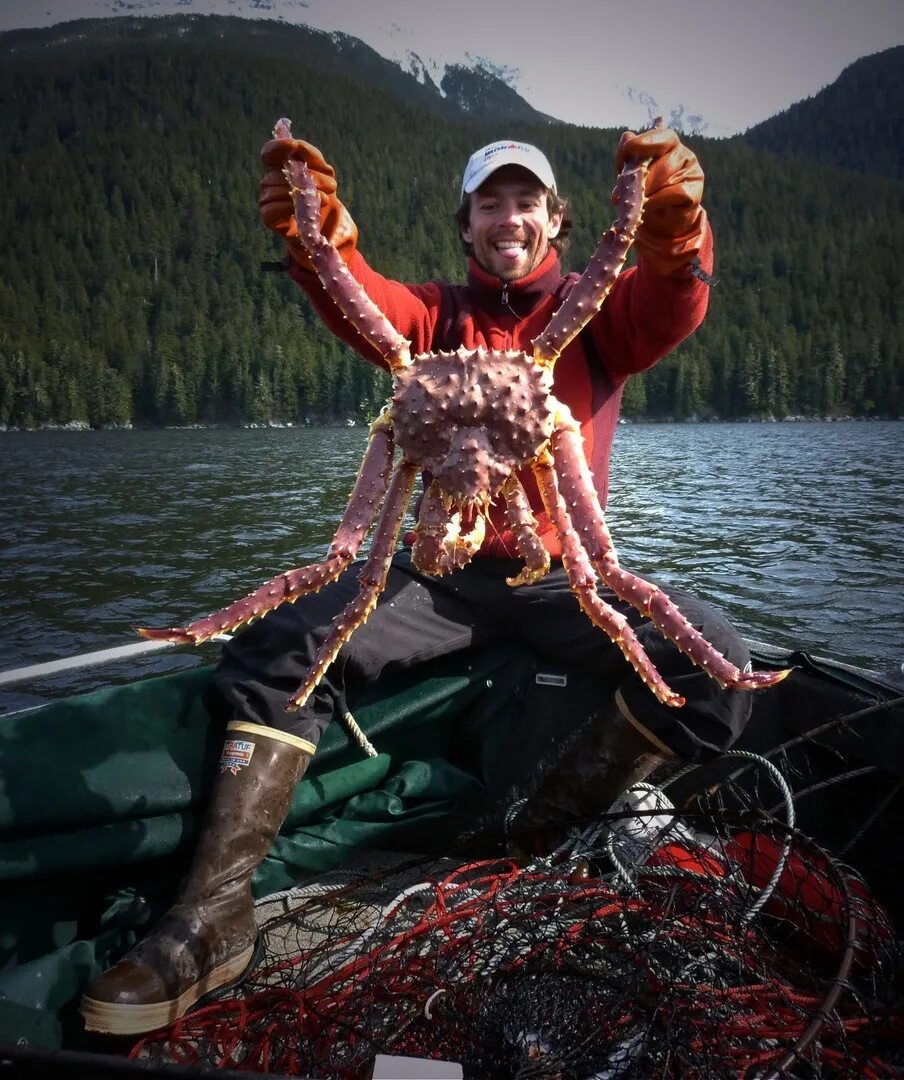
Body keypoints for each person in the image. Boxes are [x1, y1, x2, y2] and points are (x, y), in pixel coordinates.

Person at [82, 123, 752, 1035]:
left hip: (559, 576)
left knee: (711, 661)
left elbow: (670, 299)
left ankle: (540, 824)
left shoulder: (595, 319)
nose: (507, 218)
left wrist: (678, 232)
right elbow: (360, 299)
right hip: (438, 576)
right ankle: (211, 917)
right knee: (287, 645)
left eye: (525, 202)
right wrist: (315, 233)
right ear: (466, 224)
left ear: (556, 218)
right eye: (489, 203)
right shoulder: (432, 320)